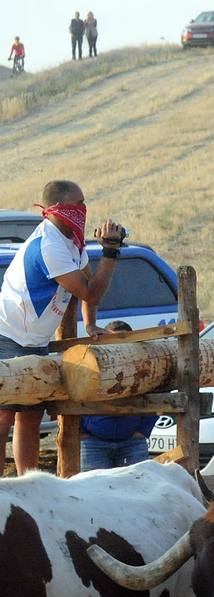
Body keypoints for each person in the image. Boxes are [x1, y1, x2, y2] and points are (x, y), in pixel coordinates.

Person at [0, 181, 126, 475]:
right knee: (3, 415)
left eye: (84, 204)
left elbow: (88, 281)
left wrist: (91, 323)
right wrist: (110, 253)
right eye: (76, 205)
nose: (82, 211)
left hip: (35, 339)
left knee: (30, 416)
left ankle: (28, 484)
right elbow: (90, 292)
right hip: (7, 333)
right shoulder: (49, 245)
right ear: (56, 209)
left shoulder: (71, 240)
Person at [79, 323, 156, 470]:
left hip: (132, 442)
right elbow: (73, 394)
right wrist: (82, 433)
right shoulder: (90, 365)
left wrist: (143, 431)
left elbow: (156, 394)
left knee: (136, 488)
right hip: (93, 443)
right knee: (95, 489)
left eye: (124, 340)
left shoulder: (143, 366)